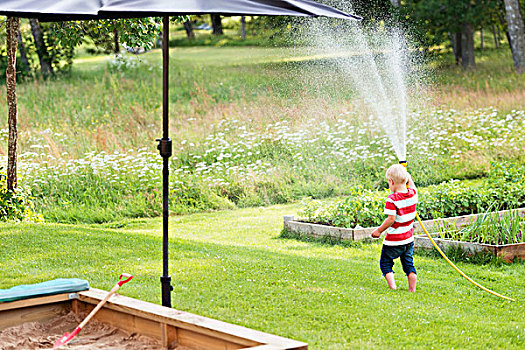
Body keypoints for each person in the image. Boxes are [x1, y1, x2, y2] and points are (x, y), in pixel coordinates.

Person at [371, 164, 418, 292]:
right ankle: (412, 289)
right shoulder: (413, 194)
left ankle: (393, 287)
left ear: (391, 182)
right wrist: (408, 176)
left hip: (394, 240)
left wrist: (379, 231)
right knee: (408, 264)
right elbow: (413, 186)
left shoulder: (392, 199)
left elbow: (391, 219)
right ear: (406, 179)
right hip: (408, 240)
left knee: (385, 262)